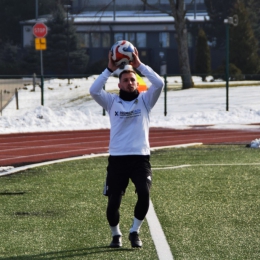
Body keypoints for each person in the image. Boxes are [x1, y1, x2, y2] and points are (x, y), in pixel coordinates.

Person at [89, 47, 164, 248]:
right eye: (125, 80)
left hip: (140, 159)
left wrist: (139, 65)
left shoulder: (145, 101)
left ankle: (134, 231)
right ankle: (116, 235)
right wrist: (108, 69)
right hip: (117, 159)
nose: (130, 83)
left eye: (133, 80)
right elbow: (93, 90)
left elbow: (159, 83)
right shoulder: (111, 102)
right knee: (114, 202)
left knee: (144, 193)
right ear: (119, 84)